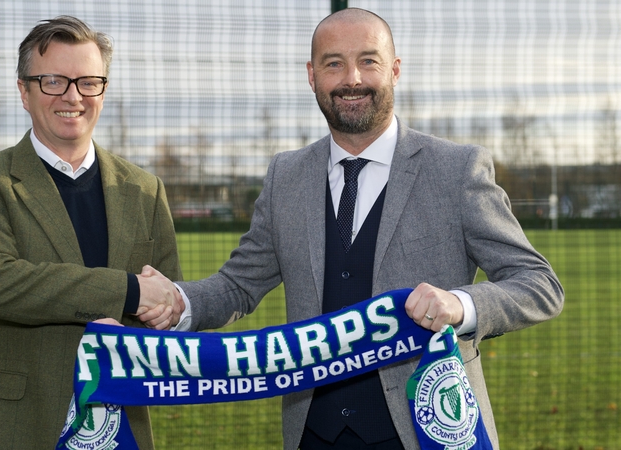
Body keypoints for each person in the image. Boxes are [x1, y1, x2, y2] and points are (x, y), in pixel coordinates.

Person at [144, 7, 564, 450]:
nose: (352, 79)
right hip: (313, 432)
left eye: (369, 60)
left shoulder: (455, 170)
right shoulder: (286, 175)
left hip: (427, 432)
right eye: (333, 63)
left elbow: (539, 284)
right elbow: (239, 285)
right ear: (311, 76)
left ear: (395, 70)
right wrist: (179, 302)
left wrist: (459, 304)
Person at [0, 16, 182, 450]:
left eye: (89, 81)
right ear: (24, 91)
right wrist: (127, 292)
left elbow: (166, 301)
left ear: (103, 91)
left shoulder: (145, 189)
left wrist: (155, 320)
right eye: (53, 81)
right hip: (17, 426)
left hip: (121, 427)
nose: (73, 96)